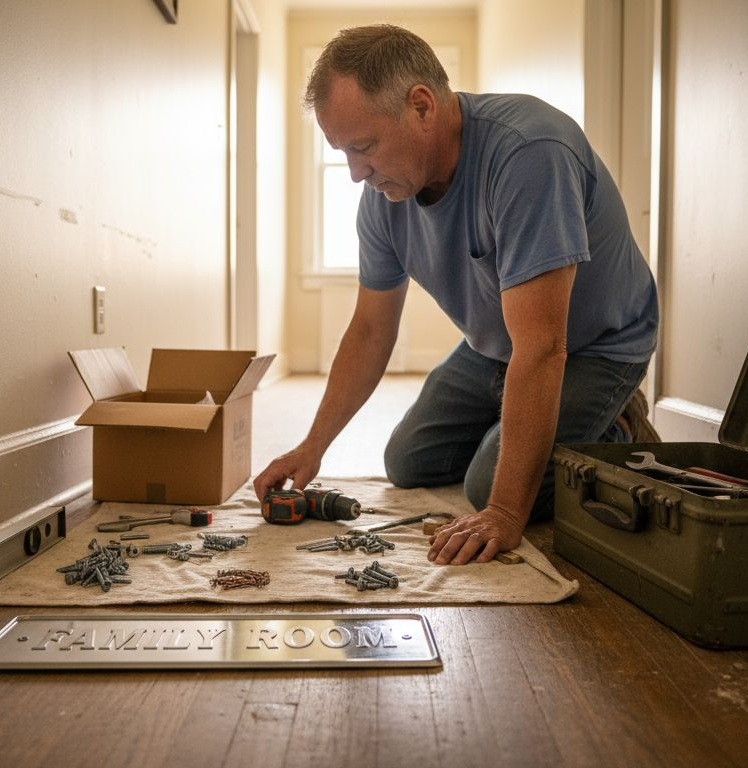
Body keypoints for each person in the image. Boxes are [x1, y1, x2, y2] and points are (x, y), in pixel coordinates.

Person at [253, 24, 659, 566]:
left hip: (593, 346)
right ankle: (529, 429)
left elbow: (543, 348)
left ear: (422, 106)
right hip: (496, 343)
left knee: (488, 485)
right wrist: (312, 446)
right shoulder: (382, 197)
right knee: (407, 461)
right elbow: (372, 330)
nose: (354, 173)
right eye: (341, 152)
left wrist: (505, 513)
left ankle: (617, 423)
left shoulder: (528, 155)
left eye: (364, 147)